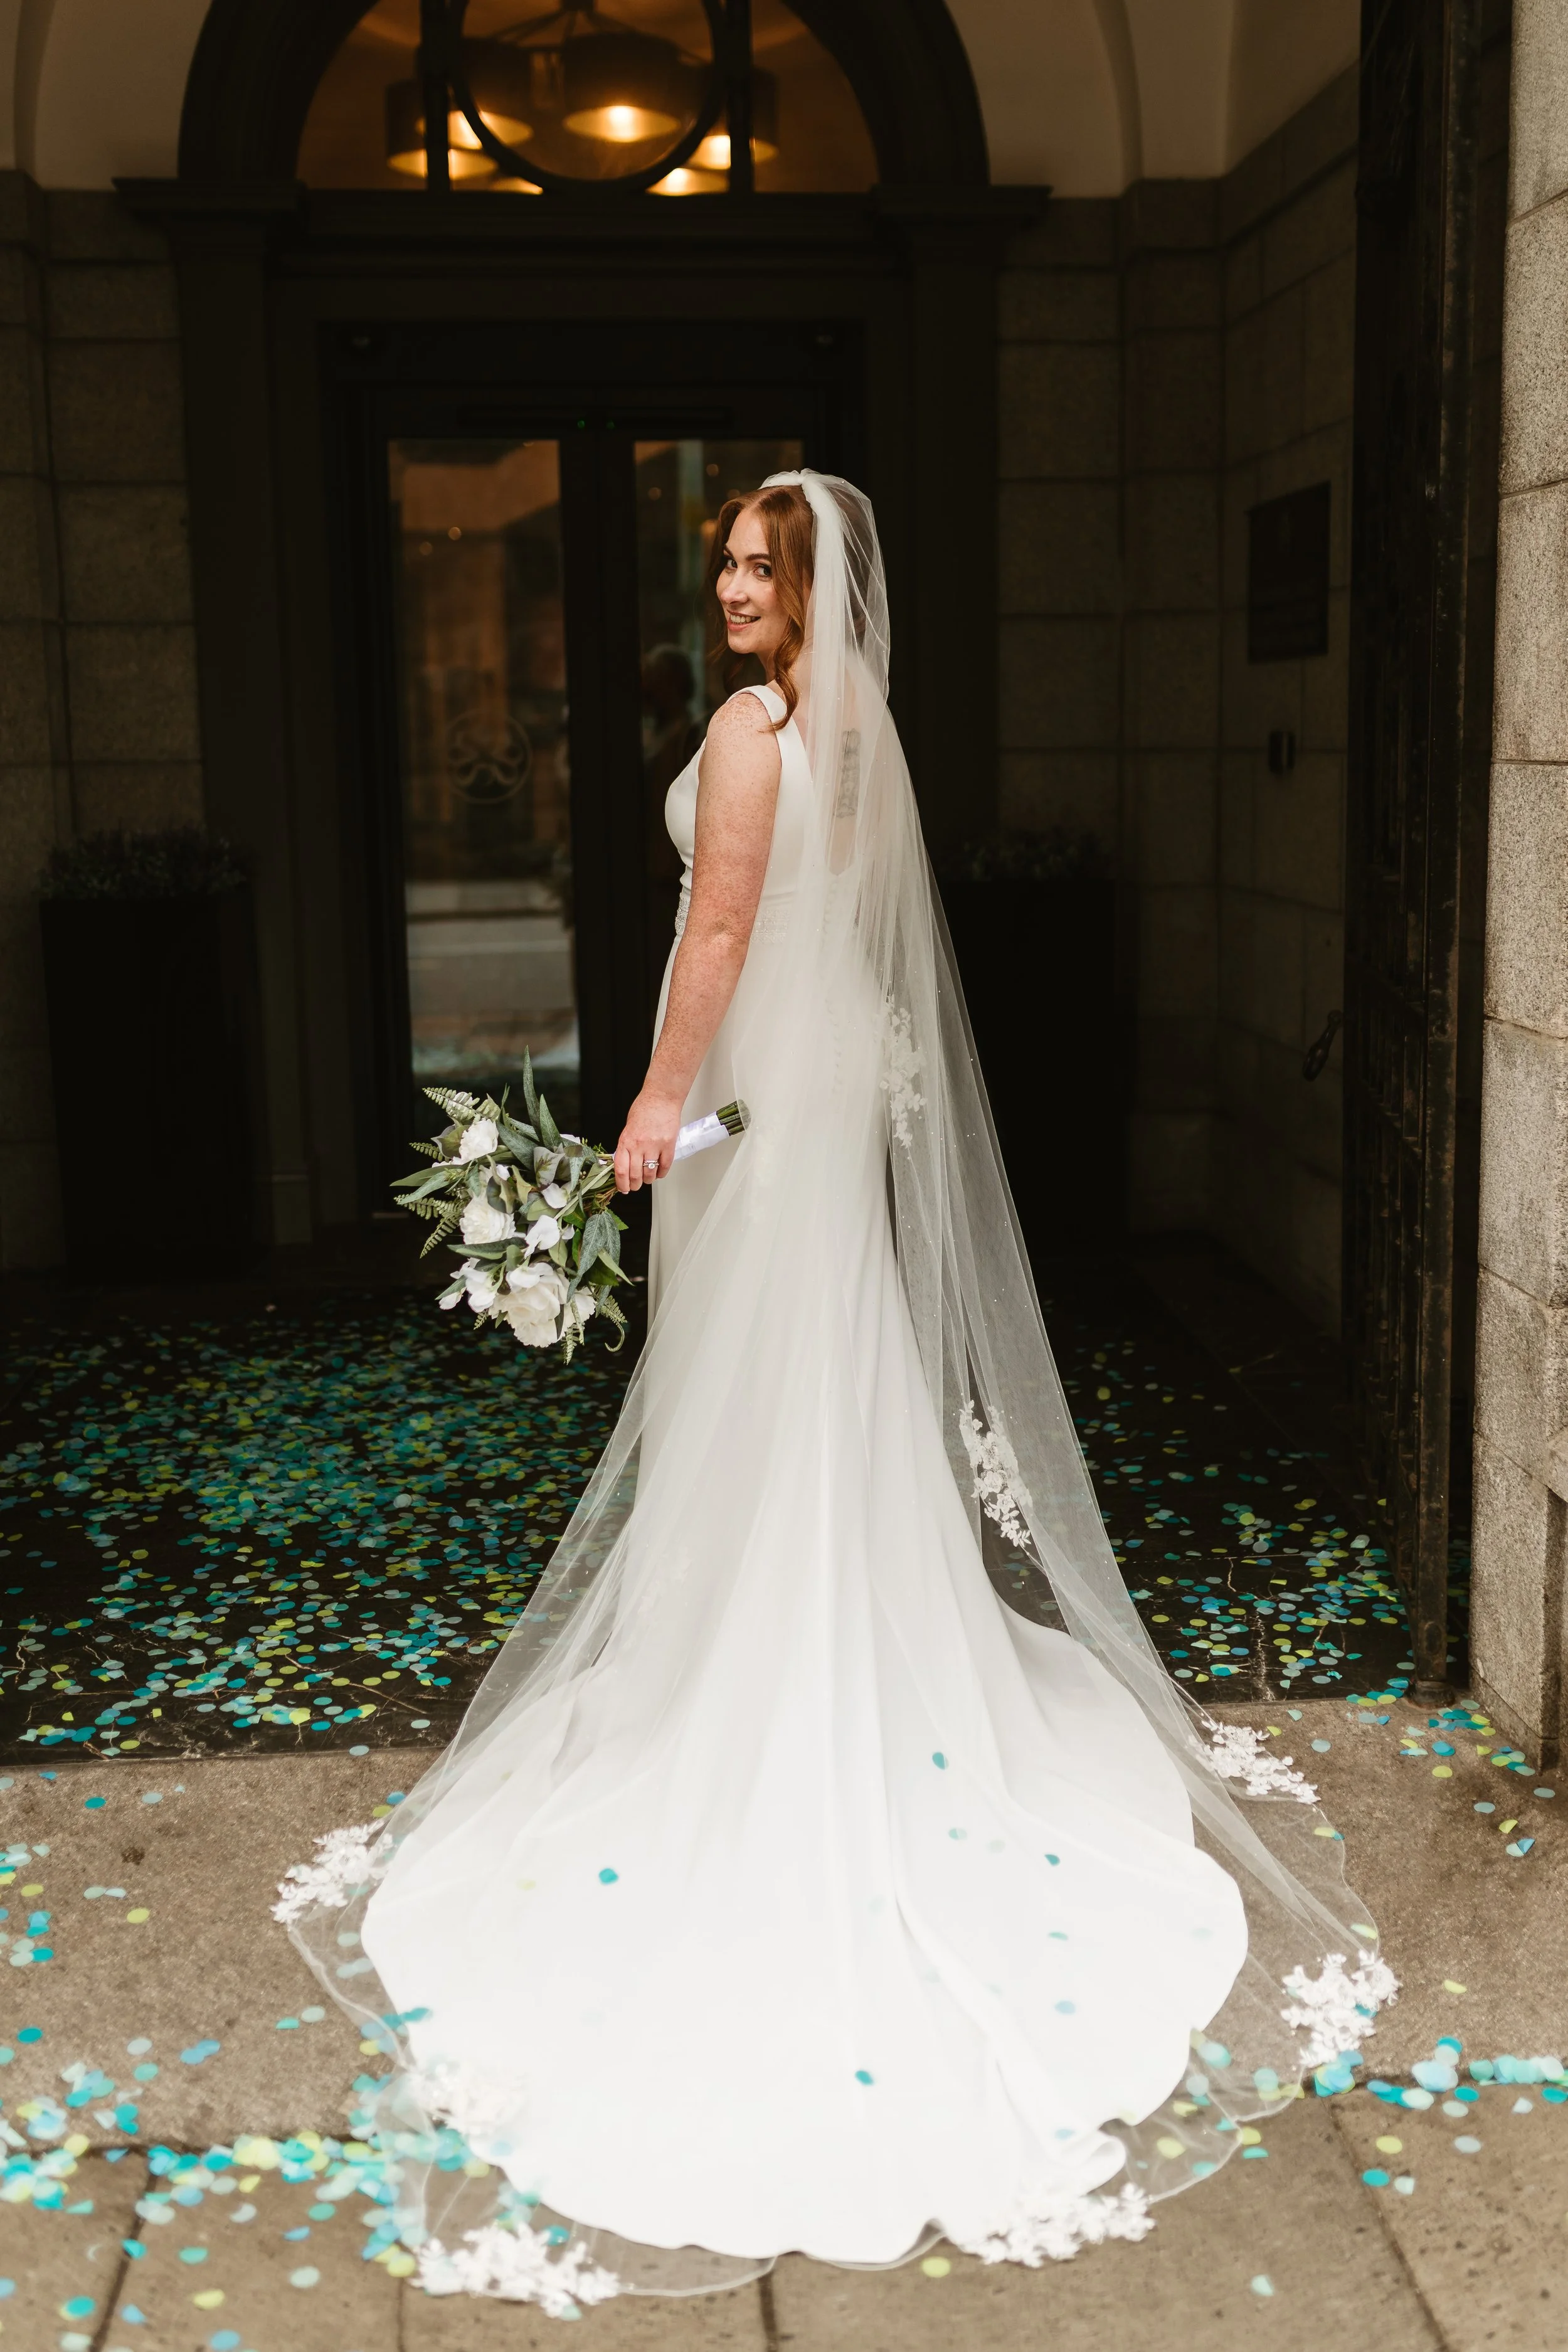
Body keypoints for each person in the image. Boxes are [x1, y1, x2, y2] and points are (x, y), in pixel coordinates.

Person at [284, 473, 1395, 2313]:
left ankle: (747, 1683)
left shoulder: (745, 733)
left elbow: (716, 939)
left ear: (815, 589)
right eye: (721, 559)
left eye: (757, 564)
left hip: (740, 1117)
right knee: (818, 1387)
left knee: (747, 1393)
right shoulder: (858, 730)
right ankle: (839, 1647)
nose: (728, 587)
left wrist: (647, 1106)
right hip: (803, 1122)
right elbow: (842, 934)